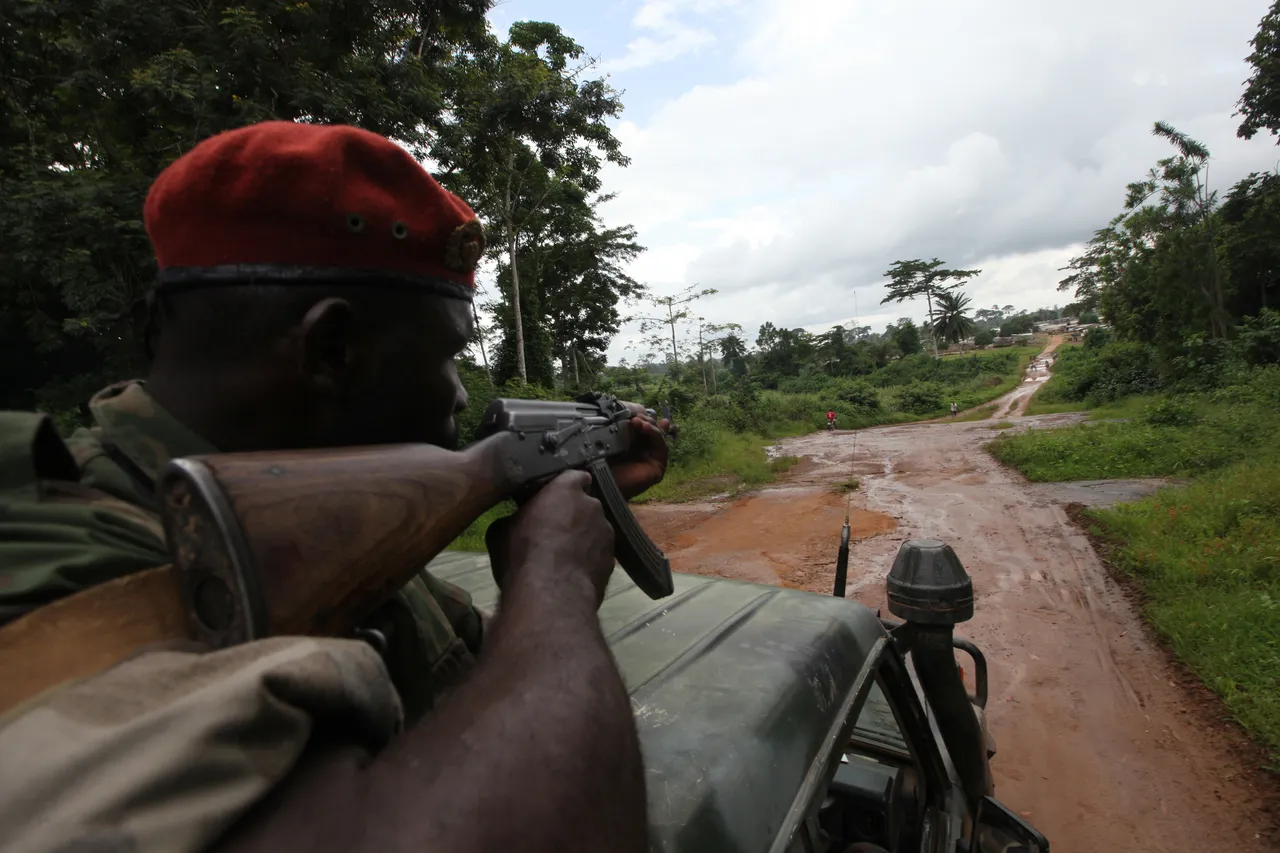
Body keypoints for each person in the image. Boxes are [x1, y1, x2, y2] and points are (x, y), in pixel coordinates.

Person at [0, 121, 668, 853]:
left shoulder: (329, 528)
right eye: (447, 356)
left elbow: (473, 667)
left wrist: (544, 505)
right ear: (331, 349)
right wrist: (556, 577)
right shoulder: (52, 560)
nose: (456, 396)